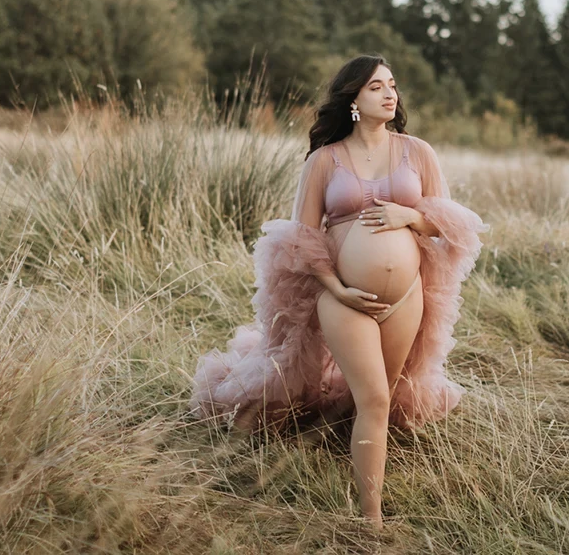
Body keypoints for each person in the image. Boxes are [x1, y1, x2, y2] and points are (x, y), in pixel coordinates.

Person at [190, 54, 489, 526]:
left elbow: (449, 226)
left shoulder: (418, 152)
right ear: (353, 98)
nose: (390, 93)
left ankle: (335, 446)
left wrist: (409, 216)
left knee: (376, 400)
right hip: (345, 298)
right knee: (373, 399)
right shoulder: (324, 161)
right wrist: (337, 288)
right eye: (376, 87)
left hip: (405, 297)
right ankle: (370, 522)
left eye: (392, 85)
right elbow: (302, 241)